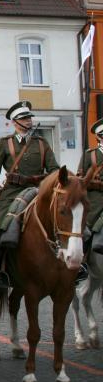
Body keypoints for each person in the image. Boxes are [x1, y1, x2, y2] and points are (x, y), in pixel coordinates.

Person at [0, 100, 59, 288]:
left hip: (39, 190)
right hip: (13, 192)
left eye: (29, 118)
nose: (29, 121)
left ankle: (71, 266)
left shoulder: (41, 144)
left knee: (63, 219)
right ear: (15, 122)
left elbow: (54, 169)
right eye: (24, 118)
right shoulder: (4, 143)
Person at [76, 117, 103, 279]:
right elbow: (80, 180)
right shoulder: (89, 156)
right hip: (96, 202)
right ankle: (81, 263)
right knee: (86, 231)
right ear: (99, 137)